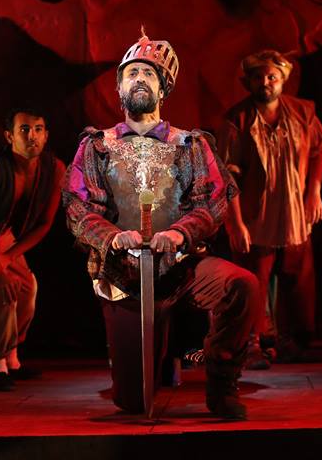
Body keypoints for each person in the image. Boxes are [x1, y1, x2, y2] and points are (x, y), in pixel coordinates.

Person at [63, 32, 258, 420]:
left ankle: (221, 380)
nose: (139, 79)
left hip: (181, 268)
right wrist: (113, 237)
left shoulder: (189, 145)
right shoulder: (97, 146)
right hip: (124, 277)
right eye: (131, 73)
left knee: (242, 286)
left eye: (149, 74)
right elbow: (79, 209)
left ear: (163, 88)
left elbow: (210, 202)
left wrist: (179, 232)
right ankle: (159, 359)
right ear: (119, 87)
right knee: (134, 402)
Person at [217, 50, 322, 366]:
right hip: (257, 214)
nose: (265, 83)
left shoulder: (302, 113)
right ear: (248, 82)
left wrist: (314, 192)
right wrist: (236, 222)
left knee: (297, 278)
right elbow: (227, 175)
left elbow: (319, 149)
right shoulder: (237, 119)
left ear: (283, 80)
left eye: (271, 77)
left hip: (293, 210)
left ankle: (292, 342)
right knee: (254, 280)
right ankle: (252, 345)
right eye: (258, 77)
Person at [0, 107, 64, 391]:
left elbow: (44, 224)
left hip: (2, 233)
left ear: (46, 135)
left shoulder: (54, 169)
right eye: (24, 130)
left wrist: (8, 256)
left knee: (27, 287)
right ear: (9, 136)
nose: (32, 136)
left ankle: (12, 359)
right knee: (1, 288)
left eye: (38, 129)